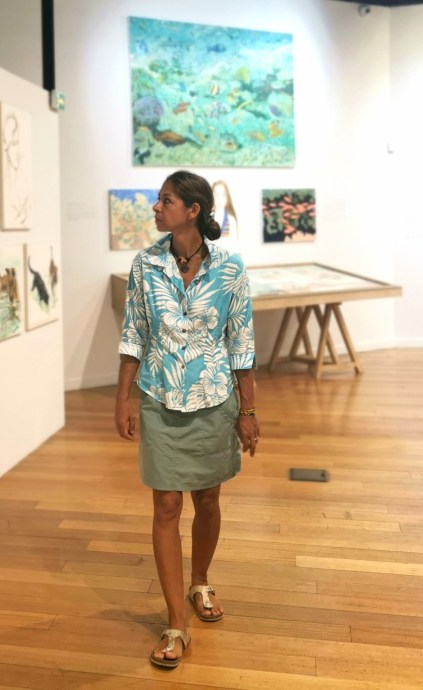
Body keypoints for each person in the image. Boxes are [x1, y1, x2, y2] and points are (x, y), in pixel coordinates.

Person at [115, 170, 259, 670]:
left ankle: (200, 582)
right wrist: (123, 398)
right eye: (159, 201)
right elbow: (133, 334)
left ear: (193, 210)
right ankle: (176, 622)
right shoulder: (145, 265)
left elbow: (241, 343)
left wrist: (249, 410)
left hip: (214, 398)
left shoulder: (230, 269)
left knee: (208, 498)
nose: (156, 208)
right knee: (166, 506)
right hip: (159, 395)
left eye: (166, 201)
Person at [1, 112, 30, 227]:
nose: (17, 151)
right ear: (6, 147)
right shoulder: (2, 179)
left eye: (17, 143)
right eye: (13, 144)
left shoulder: (23, 179)